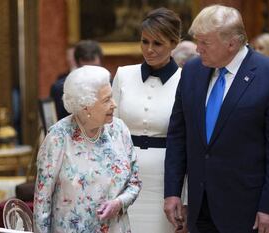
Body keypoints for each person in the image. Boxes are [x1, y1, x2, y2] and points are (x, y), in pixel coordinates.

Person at [164, 5, 269, 233]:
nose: (198, 49)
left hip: (252, 210)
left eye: (205, 43)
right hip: (202, 207)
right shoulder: (192, 71)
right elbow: (178, 135)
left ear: (232, 43)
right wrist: (173, 192)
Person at [34, 65, 142, 233]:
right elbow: (42, 199)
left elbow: (134, 183)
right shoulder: (59, 137)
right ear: (86, 106)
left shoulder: (119, 130)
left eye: (112, 97)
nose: (114, 104)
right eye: (106, 100)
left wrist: (119, 203)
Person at [112, 7, 186, 233]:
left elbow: (191, 142)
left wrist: (186, 197)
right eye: (145, 42)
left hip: (166, 181)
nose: (149, 49)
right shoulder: (124, 74)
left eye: (158, 43)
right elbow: (109, 131)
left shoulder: (186, 80)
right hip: (122, 179)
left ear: (174, 43)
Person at [50, 40, 103, 120]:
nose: (92, 74)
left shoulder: (111, 86)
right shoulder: (60, 89)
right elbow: (56, 121)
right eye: (87, 69)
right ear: (77, 63)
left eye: (94, 68)